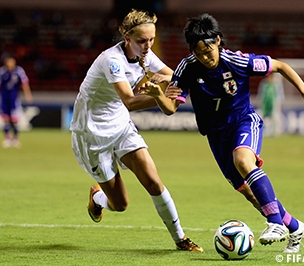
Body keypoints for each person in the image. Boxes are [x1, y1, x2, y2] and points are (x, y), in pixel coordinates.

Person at [139, 13, 304, 253]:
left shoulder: (237, 61)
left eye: (209, 50)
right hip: (216, 136)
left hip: (243, 122)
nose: (205, 57)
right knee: (249, 192)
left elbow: (279, 66)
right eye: (199, 53)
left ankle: (276, 223)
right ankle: (295, 227)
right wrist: (157, 95)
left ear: (218, 41)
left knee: (243, 160)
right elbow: (170, 109)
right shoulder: (187, 68)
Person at [69, 9, 203, 252]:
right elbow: (130, 101)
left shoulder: (146, 55)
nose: (148, 46)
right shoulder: (112, 60)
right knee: (120, 205)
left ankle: (181, 239)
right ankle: (97, 198)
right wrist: (159, 96)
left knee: (153, 182)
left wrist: (170, 84)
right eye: (142, 40)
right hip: (92, 135)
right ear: (127, 37)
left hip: (121, 128)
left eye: (151, 39)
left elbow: (171, 75)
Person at [0, 54, 33, 148]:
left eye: (12, 61)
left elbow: (25, 83)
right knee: (6, 118)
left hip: (14, 99)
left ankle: (15, 139)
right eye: (9, 61)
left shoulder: (19, 71)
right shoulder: (2, 72)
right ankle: (7, 139)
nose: (11, 63)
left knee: (15, 119)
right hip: (4, 99)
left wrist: (28, 95)